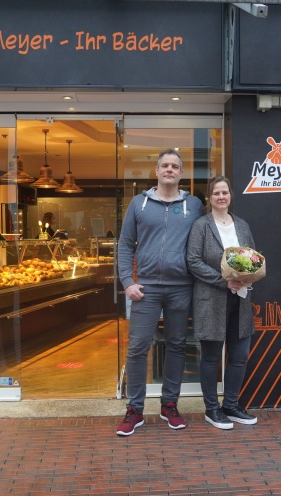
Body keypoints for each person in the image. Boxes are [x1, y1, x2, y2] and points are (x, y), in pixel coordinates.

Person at [116, 148, 204, 436]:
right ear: (156, 171)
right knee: (138, 347)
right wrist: (128, 282)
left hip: (181, 287)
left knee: (177, 345)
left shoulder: (194, 205)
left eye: (174, 166)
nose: (169, 169)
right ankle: (135, 409)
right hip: (147, 287)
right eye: (164, 165)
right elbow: (125, 244)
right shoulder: (139, 204)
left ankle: (170, 405)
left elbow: (203, 244)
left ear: (181, 173)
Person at [186, 176, 258, 430]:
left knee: (239, 356)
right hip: (212, 298)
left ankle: (231, 404)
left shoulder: (242, 225)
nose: (221, 197)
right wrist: (223, 281)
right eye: (216, 193)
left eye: (225, 192)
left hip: (240, 298)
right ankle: (212, 409)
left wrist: (248, 276)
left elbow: (252, 257)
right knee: (211, 357)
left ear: (231, 195)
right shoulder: (201, 226)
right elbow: (193, 261)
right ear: (209, 198)